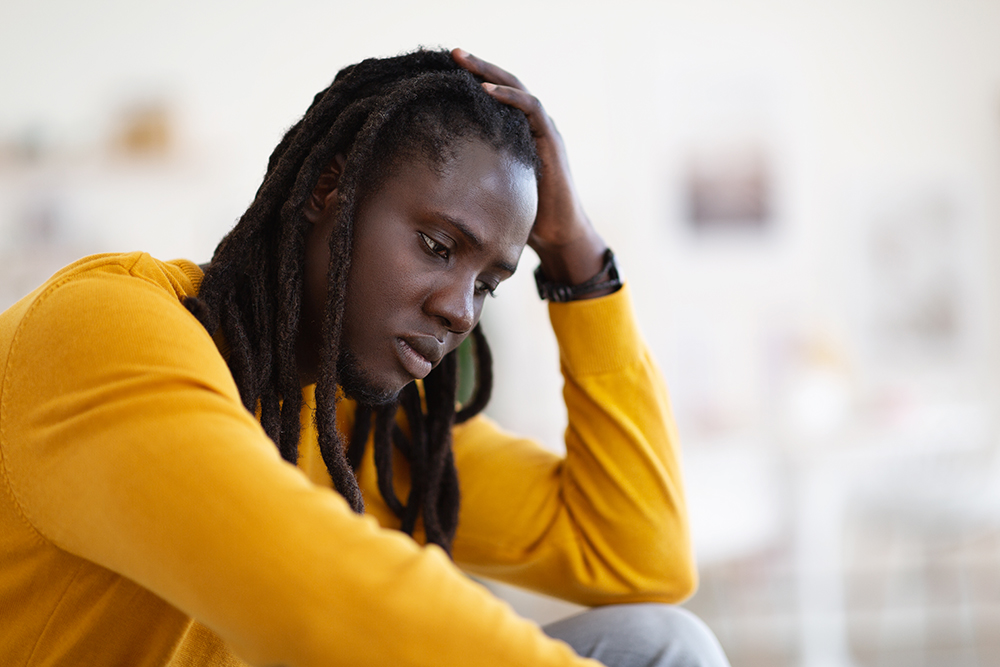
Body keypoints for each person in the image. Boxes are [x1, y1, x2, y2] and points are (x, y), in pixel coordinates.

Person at [0, 48, 730, 667]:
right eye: (438, 247)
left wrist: (580, 261)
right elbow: (315, 587)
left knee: (661, 641)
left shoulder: (356, 418)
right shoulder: (101, 330)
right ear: (331, 189)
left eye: (488, 284)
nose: (459, 309)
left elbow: (637, 556)